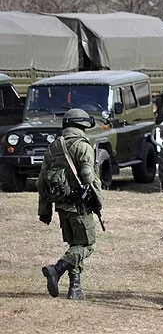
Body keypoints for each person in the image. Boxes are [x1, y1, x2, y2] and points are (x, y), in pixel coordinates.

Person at [36, 108, 103, 300]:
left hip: (62, 206)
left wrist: (45, 210)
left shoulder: (54, 147)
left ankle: (75, 289)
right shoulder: (83, 146)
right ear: (83, 125)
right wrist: (98, 203)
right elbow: (89, 177)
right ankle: (56, 269)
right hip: (80, 206)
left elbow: (41, 182)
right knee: (87, 245)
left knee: (75, 245)